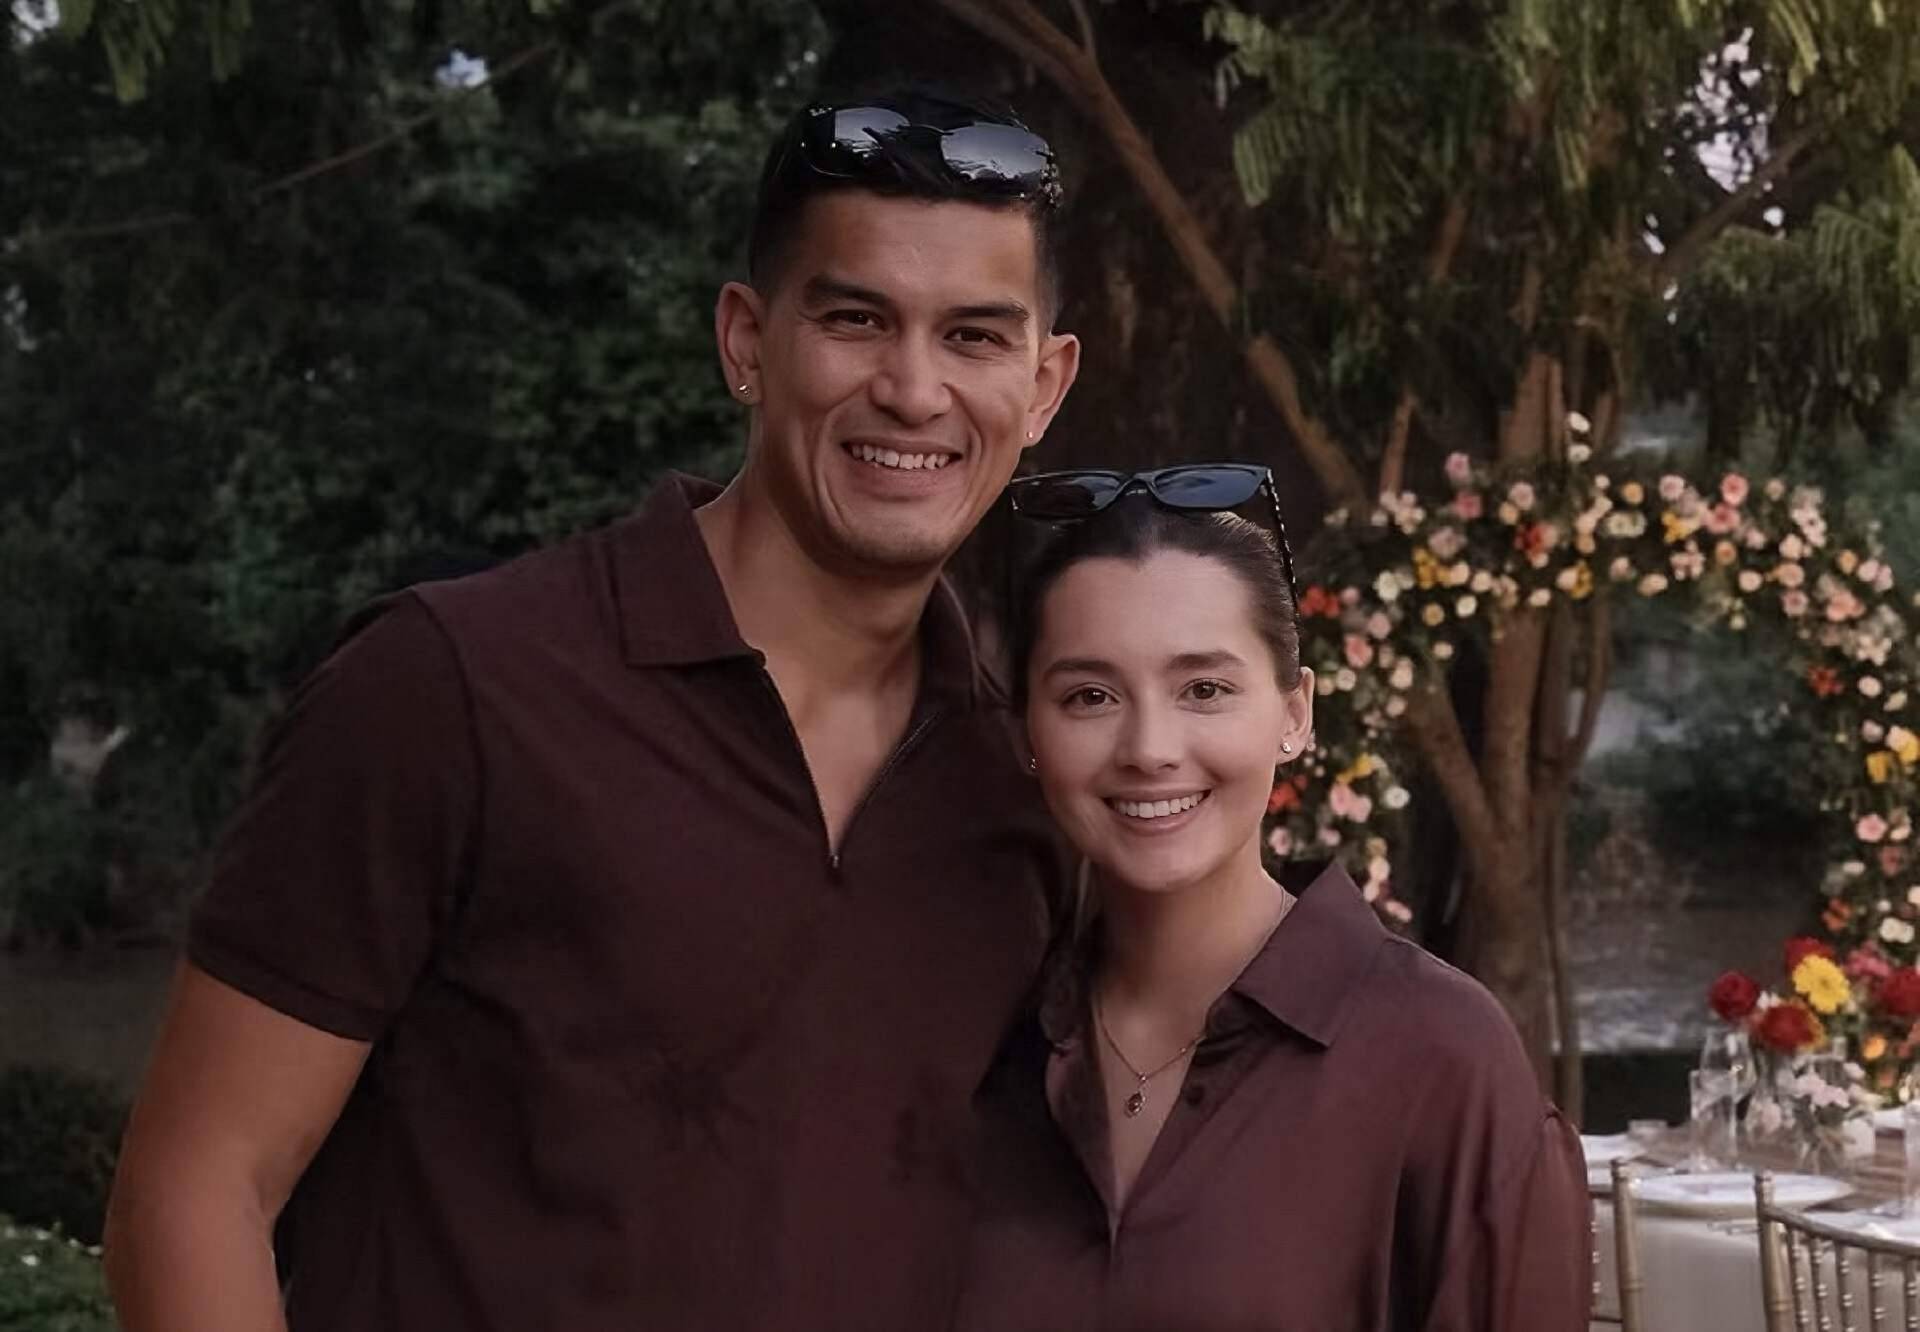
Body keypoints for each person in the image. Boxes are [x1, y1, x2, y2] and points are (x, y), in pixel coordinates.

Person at [102, 87, 1081, 1332]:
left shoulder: (1023, 787)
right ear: (746, 341)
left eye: (975, 338)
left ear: (1044, 385)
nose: (914, 389)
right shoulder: (452, 688)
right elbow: (195, 1190)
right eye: (855, 319)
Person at [951, 468, 1590, 1332]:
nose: (1149, 748)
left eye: (1204, 689)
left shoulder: (1438, 1056)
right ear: (1030, 730)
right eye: (1089, 696)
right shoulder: (992, 1045)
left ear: (1295, 715)